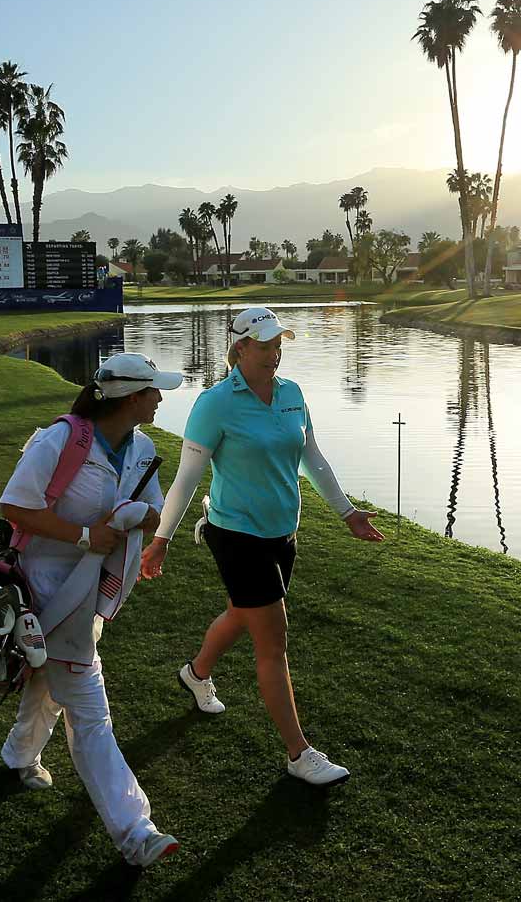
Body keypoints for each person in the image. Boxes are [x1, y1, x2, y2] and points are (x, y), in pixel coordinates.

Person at [140, 307, 385, 786]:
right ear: (239, 349)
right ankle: (299, 753)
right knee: (272, 639)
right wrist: (161, 540)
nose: (275, 353)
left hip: (281, 533)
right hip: (235, 533)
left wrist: (348, 513)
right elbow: (188, 477)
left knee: (241, 612)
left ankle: (196, 672)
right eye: (265, 344)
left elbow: (312, 457)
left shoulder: (292, 394)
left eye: (279, 344)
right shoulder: (214, 403)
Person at [0, 352, 182, 868]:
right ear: (130, 398)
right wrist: (86, 534)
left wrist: (138, 517)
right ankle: (135, 830)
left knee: (48, 679)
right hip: (42, 586)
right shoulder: (60, 439)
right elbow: (14, 504)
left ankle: (18, 755)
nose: (161, 399)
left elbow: (155, 509)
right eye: (153, 392)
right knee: (89, 707)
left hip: (87, 591)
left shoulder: (143, 447)